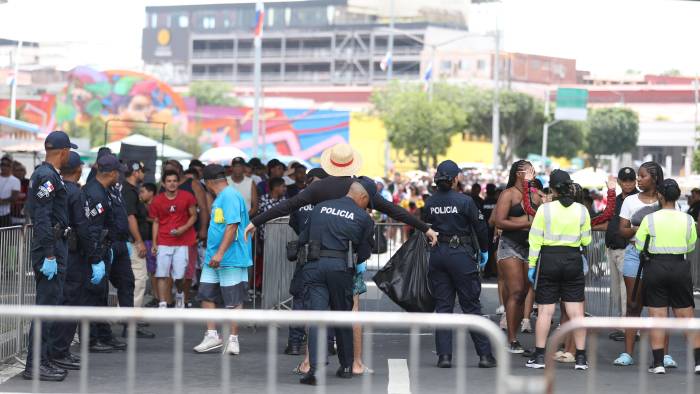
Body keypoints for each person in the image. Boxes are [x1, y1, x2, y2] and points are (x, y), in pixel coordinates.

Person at [244, 143, 438, 247]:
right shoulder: (361, 188)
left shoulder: (318, 188)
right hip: (348, 252)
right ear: (352, 163)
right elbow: (394, 210)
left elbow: (287, 205)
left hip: (318, 252)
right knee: (345, 309)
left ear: (331, 163)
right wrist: (425, 229)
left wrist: (255, 222)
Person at [297, 178, 375, 385]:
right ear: (363, 197)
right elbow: (365, 252)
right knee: (342, 315)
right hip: (339, 268)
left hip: (314, 266)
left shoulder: (320, 207)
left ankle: (315, 368)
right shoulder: (362, 217)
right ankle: (347, 365)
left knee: (317, 316)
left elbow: (303, 237)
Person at [423, 160, 497, 369]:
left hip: (437, 255)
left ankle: (444, 357)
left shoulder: (430, 202)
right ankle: (485, 356)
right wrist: (484, 250)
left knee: (443, 307)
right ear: (455, 179)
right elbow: (480, 227)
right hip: (461, 255)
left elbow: (426, 227)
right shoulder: (465, 201)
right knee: (471, 305)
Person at [22, 131, 76, 381]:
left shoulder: (49, 175)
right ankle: (35, 364)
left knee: (51, 306)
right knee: (45, 308)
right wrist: (51, 254)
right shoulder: (47, 176)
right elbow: (42, 217)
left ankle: (43, 359)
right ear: (64, 152)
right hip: (50, 247)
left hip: (54, 245)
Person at [526, 169, 591, 371]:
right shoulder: (582, 210)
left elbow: (535, 239)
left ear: (552, 189)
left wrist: (532, 264)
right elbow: (587, 239)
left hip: (548, 259)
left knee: (546, 311)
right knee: (576, 311)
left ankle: (538, 357)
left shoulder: (544, 210)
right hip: (572, 259)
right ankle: (580, 358)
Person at [634, 178, 700, 374]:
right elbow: (691, 244)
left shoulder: (650, 219)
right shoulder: (687, 219)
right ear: (677, 195)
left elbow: (639, 245)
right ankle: (698, 362)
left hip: (655, 267)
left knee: (658, 317)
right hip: (679, 266)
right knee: (686, 317)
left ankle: (658, 363)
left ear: (660, 196)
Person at [616, 162, 677, 368]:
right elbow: (622, 231)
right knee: (633, 304)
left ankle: (664, 356)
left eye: (642, 176)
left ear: (654, 178)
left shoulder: (668, 201)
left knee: (661, 307)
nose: (638, 180)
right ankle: (627, 353)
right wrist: (642, 227)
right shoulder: (630, 201)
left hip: (661, 256)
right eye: (637, 176)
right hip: (635, 254)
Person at [49, 152, 102, 370]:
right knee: (70, 303)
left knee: (63, 301)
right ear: (79, 170)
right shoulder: (75, 193)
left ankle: (57, 350)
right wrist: (95, 257)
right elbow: (83, 227)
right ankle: (60, 351)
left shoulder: (61, 190)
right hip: (74, 254)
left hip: (62, 252)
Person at [193, 165, 252, 355]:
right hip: (214, 258)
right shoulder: (223, 197)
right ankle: (212, 335)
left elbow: (232, 226)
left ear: (208, 183)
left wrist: (219, 254)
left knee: (233, 300)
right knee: (206, 295)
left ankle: (233, 340)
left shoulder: (230, 196)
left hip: (230, 258)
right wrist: (215, 255)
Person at [494, 160, 540, 353]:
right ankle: (512, 339)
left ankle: (515, 336)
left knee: (523, 293)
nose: (532, 173)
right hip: (510, 246)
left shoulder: (536, 195)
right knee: (516, 290)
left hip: (530, 247)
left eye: (533, 170)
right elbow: (500, 221)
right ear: (518, 174)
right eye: (528, 170)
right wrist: (524, 225)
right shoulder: (508, 194)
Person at [286, 168, 329, 358]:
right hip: (325, 255)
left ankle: (295, 342)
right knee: (325, 301)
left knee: (300, 300)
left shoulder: (300, 200)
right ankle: (326, 344)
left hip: (305, 254)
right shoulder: (331, 201)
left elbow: (294, 224)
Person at [162, 160, 209, 307]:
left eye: (172, 169)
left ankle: (184, 298)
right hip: (168, 234)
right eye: (166, 170)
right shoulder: (163, 185)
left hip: (189, 233)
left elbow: (203, 207)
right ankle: (168, 301)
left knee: (187, 269)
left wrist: (203, 229)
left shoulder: (192, 184)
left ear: (180, 169)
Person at [149, 170, 197, 308]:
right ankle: (163, 303)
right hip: (164, 241)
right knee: (161, 273)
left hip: (182, 242)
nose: (172, 184)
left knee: (179, 276)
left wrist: (183, 228)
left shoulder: (187, 196)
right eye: (169, 181)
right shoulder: (157, 200)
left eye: (174, 181)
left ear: (178, 182)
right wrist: (154, 243)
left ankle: (180, 294)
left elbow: (194, 215)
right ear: (164, 183)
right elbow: (156, 222)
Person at [601, 168, 638, 342]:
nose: (628, 183)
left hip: (628, 248)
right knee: (617, 291)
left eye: (631, 180)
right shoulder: (615, 200)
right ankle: (623, 324)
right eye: (625, 180)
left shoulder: (638, 200)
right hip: (613, 248)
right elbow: (607, 222)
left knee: (627, 291)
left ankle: (630, 329)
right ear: (620, 182)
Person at [121, 160, 156, 338]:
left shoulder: (130, 190)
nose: (144, 174)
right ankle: (131, 325)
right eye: (142, 171)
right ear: (135, 172)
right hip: (133, 243)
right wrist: (139, 241)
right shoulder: (129, 191)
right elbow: (130, 218)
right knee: (138, 281)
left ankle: (131, 323)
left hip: (131, 242)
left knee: (135, 282)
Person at [138, 183, 159, 305]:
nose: (140, 194)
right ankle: (156, 296)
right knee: (152, 271)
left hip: (154, 240)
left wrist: (144, 217)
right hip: (147, 239)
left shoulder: (155, 204)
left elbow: (158, 220)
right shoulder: (144, 205)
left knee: (155, 270)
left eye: (143, 191)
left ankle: (157, 297)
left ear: (151, 192)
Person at [0, 156, 21, 227]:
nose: (4, 167)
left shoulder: (15, 181)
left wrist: (2, 201)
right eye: (2, 164)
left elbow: (14, 198)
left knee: (5, 237)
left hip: (5, 215)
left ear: (11, 166)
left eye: (7, 165)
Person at [10, 160, 28, 225]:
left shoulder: (28, 182)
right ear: (13, 171)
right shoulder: (10, 181)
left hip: (25, 214)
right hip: (10, 214)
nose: (20, 172)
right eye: (18, 170)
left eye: (22, 170)